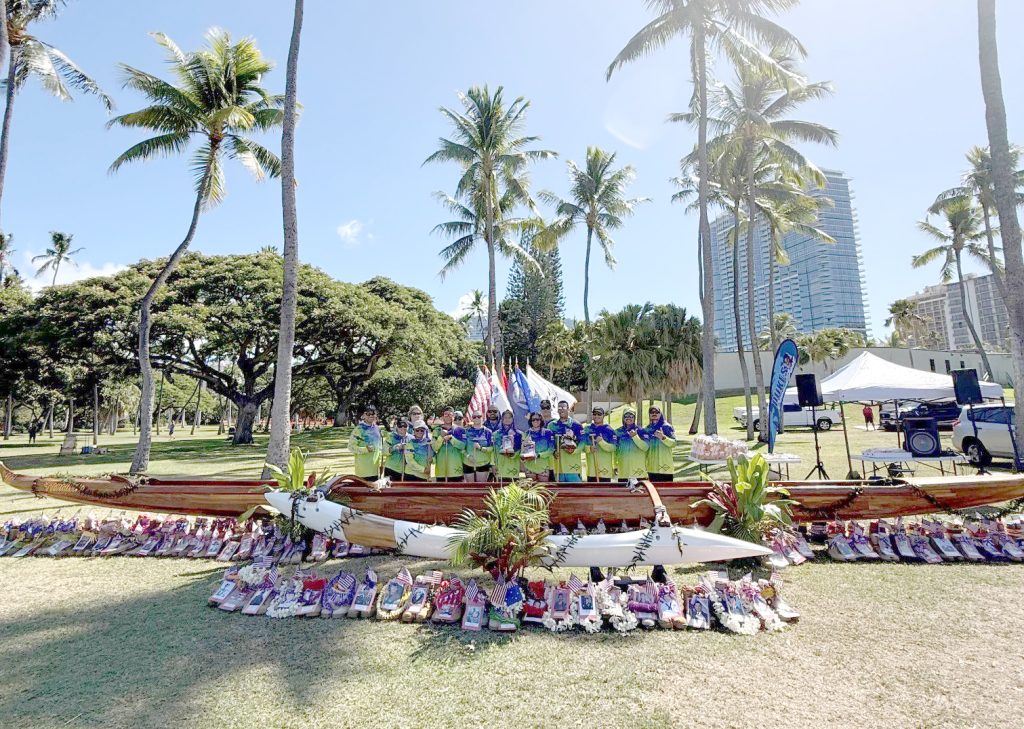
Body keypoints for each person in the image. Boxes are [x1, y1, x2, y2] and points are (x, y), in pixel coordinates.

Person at [548, 400, 583, 482]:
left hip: (573, 467)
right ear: (557, 410)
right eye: (559, 408)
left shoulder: (576, 425)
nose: (561, 409)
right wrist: (553, 452)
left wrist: (574, 451)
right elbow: (549, 443)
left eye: (564, 407)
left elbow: (583, 442)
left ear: (568, 409)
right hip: (558, 467)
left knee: (575, 492)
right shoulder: (552, 425)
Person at [431, 406, 466, 482]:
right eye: (445, 414)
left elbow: (463, 446)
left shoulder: (460, 430)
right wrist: (441, 437)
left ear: (453, 416)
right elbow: (434, 447)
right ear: (442, 417)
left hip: (456, 470)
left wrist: (451, 438)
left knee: (456, 493)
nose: (447, 416)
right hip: (441, 470)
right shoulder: (436, 430)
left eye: (450, 414)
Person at [582, 407, 617, 482]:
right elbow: (581, 446)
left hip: (605, 471)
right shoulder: (587, 429)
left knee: (604, 493)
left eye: (599, 414)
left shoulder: (609, 430)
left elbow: (613, 447)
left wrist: (601, 442)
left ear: (603, 415)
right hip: (591, 470)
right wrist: (589, 449)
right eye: (594, 414)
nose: (597, 416)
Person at [349, 406, 384, 479]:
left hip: (375, 469)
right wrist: (366, 449)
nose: (371, 415)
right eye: (368, 413)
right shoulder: (358, 429)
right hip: (363, 471)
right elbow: (351, 447)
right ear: (363, 415)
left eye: (373, 413)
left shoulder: (377, 428)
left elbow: (379, 448)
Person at [643, 405, 676, 482]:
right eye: (652, 412)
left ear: (660, 413)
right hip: (652, 468)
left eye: (656, 412)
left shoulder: (667, 427)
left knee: (667, 493)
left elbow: (674, 443)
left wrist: (663, 437)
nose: (654, 414)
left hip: (666, 468)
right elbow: (645, 449)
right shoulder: (647, 429)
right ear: (649, 415)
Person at [615, 409, 649, 481]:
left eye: (631, 416)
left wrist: (635, 437)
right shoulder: (618, 432)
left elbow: (645, 447)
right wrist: (614, 465)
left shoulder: (641, 431)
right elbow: (615, 451)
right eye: (626, 416)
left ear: (634, 418)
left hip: (638, 472)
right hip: (623, 473)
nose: (629, 418)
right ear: (623, 418)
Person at [522, 412, 556, 482]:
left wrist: (539, 455)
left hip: (543, 467)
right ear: (530, 421)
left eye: (537, 419)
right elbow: (522, 450)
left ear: (541, 420)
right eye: (533, 420)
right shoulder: (525, 433)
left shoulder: (548, 433)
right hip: (529, 467)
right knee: (530, 491)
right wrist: (523, 457)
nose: (535, 421)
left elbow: (551, 449)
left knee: (543, 491)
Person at [462, 411, 494, 482]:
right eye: (474, 417)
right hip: (468, 463)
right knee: (470, 488)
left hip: (483, 463)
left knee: (481, 487)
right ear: (472, 419)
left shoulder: (488, 432)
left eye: (479, 416)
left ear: (483, 418)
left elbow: (492, 448)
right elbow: (461, 448)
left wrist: (481, 448)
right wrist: (468, 456)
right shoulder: (466, 431)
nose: (477, 418)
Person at [493, 410, 522, 482]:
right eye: (505, 417)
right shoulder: (495, 434)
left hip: (513, 466)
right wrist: (493, 464)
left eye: (509, 417)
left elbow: (522, 450)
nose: (507, 419)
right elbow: (493, 451)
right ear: (502, 419)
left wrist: (512, 454)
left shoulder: (519, 434)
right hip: (500, 466)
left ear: (513, 419)